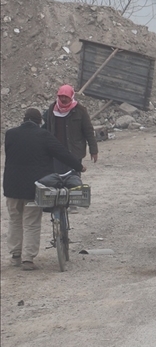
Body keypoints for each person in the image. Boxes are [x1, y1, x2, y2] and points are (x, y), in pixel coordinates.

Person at [4, 108, 84, 271]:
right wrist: (78, 166)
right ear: (40, 121)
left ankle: (15, 256)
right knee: (31, 222)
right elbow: (62, 153)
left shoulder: (10, 134)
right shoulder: (44, 135)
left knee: (14, 220)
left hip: (11, 186)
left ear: (24, 119)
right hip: (34, 187)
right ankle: (28, 259)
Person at [43, 84, 98, 172]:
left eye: (66, 97)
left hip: (74, 152)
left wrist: (93, 150)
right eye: (61, 96)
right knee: (58, 177)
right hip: (57, 152)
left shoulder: (80, 110)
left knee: (73, 177)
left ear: (71, 97)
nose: (63, 99)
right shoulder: (52, 109)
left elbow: (89, 131)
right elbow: (48, 129)